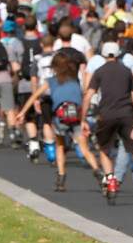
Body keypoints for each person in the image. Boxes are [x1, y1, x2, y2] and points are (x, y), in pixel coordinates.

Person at [24, 49, 91, 193]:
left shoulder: (50, 77)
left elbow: (35, 90)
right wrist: (83, 119)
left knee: (57, 139)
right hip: (72, 111)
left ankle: (60, 174)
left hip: (57, 110)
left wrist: (24, 111)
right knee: (81, 142)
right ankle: (97, 171)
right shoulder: (74, 79)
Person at [89, 41, 133, 202]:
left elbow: (89, 93)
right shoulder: (127, 71)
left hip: (106, 114)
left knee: (104, 148)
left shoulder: (99, 71)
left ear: (103, 54)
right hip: (126, 113)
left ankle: (110, 179)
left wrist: (84, 113)